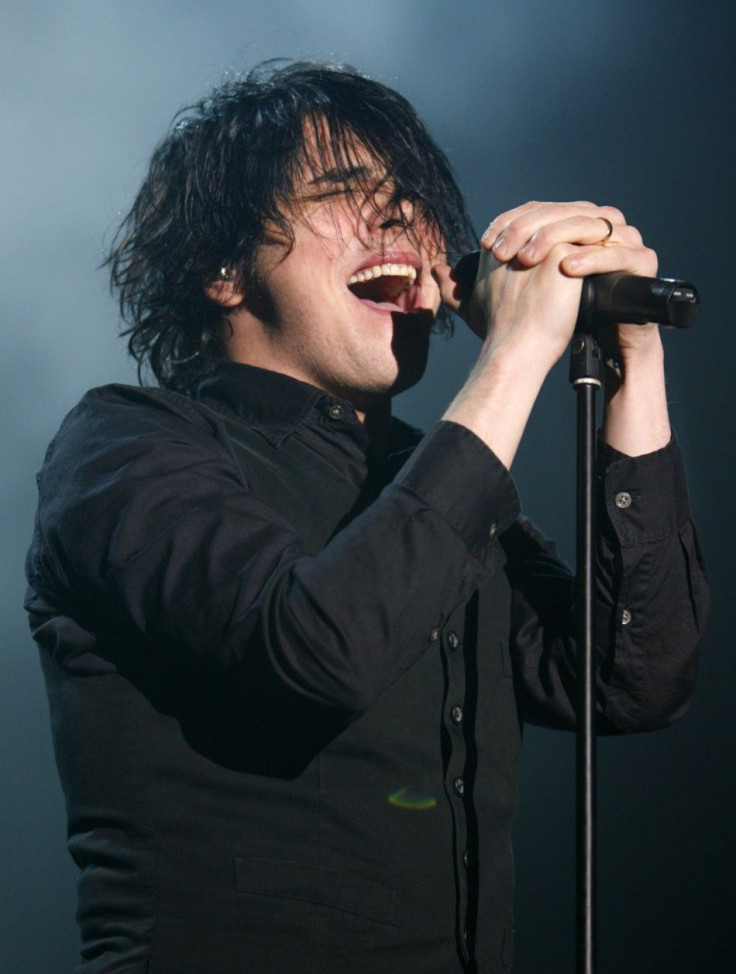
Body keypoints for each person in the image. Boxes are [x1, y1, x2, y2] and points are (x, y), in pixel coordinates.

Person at [25, 61, 708, 973]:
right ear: (223, 267)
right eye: (346, 193)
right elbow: (316, 648)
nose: (401, 223)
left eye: (415, 202)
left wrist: (636, 356)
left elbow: (633, 679)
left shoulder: (431, 481)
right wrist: (512, 355)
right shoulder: (123, 448)